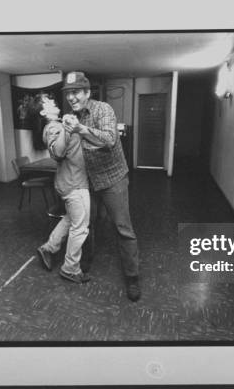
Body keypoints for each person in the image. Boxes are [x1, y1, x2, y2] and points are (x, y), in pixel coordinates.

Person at [61, 71, 141, 301]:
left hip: (113, 179)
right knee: (87, 224)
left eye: (76, 92)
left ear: (87, 92)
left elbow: (109, 140)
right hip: (87, 181)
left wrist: (80, 129)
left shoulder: (103, 109)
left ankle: (133, 276)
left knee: (123, 228)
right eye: (69, 94)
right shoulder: (70, 116)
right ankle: (84, 263)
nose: (72, 98)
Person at [29, 93, 91, 284]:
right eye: (48, 102)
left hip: (70, 182)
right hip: (74, 184)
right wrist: (66, 128)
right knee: (80, 228)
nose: (53, 101)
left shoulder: (57, 124)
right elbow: (57, 152)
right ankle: (70, 268)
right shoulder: (53, 127)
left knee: (71, 219)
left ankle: (49, 248)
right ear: (42, 112)